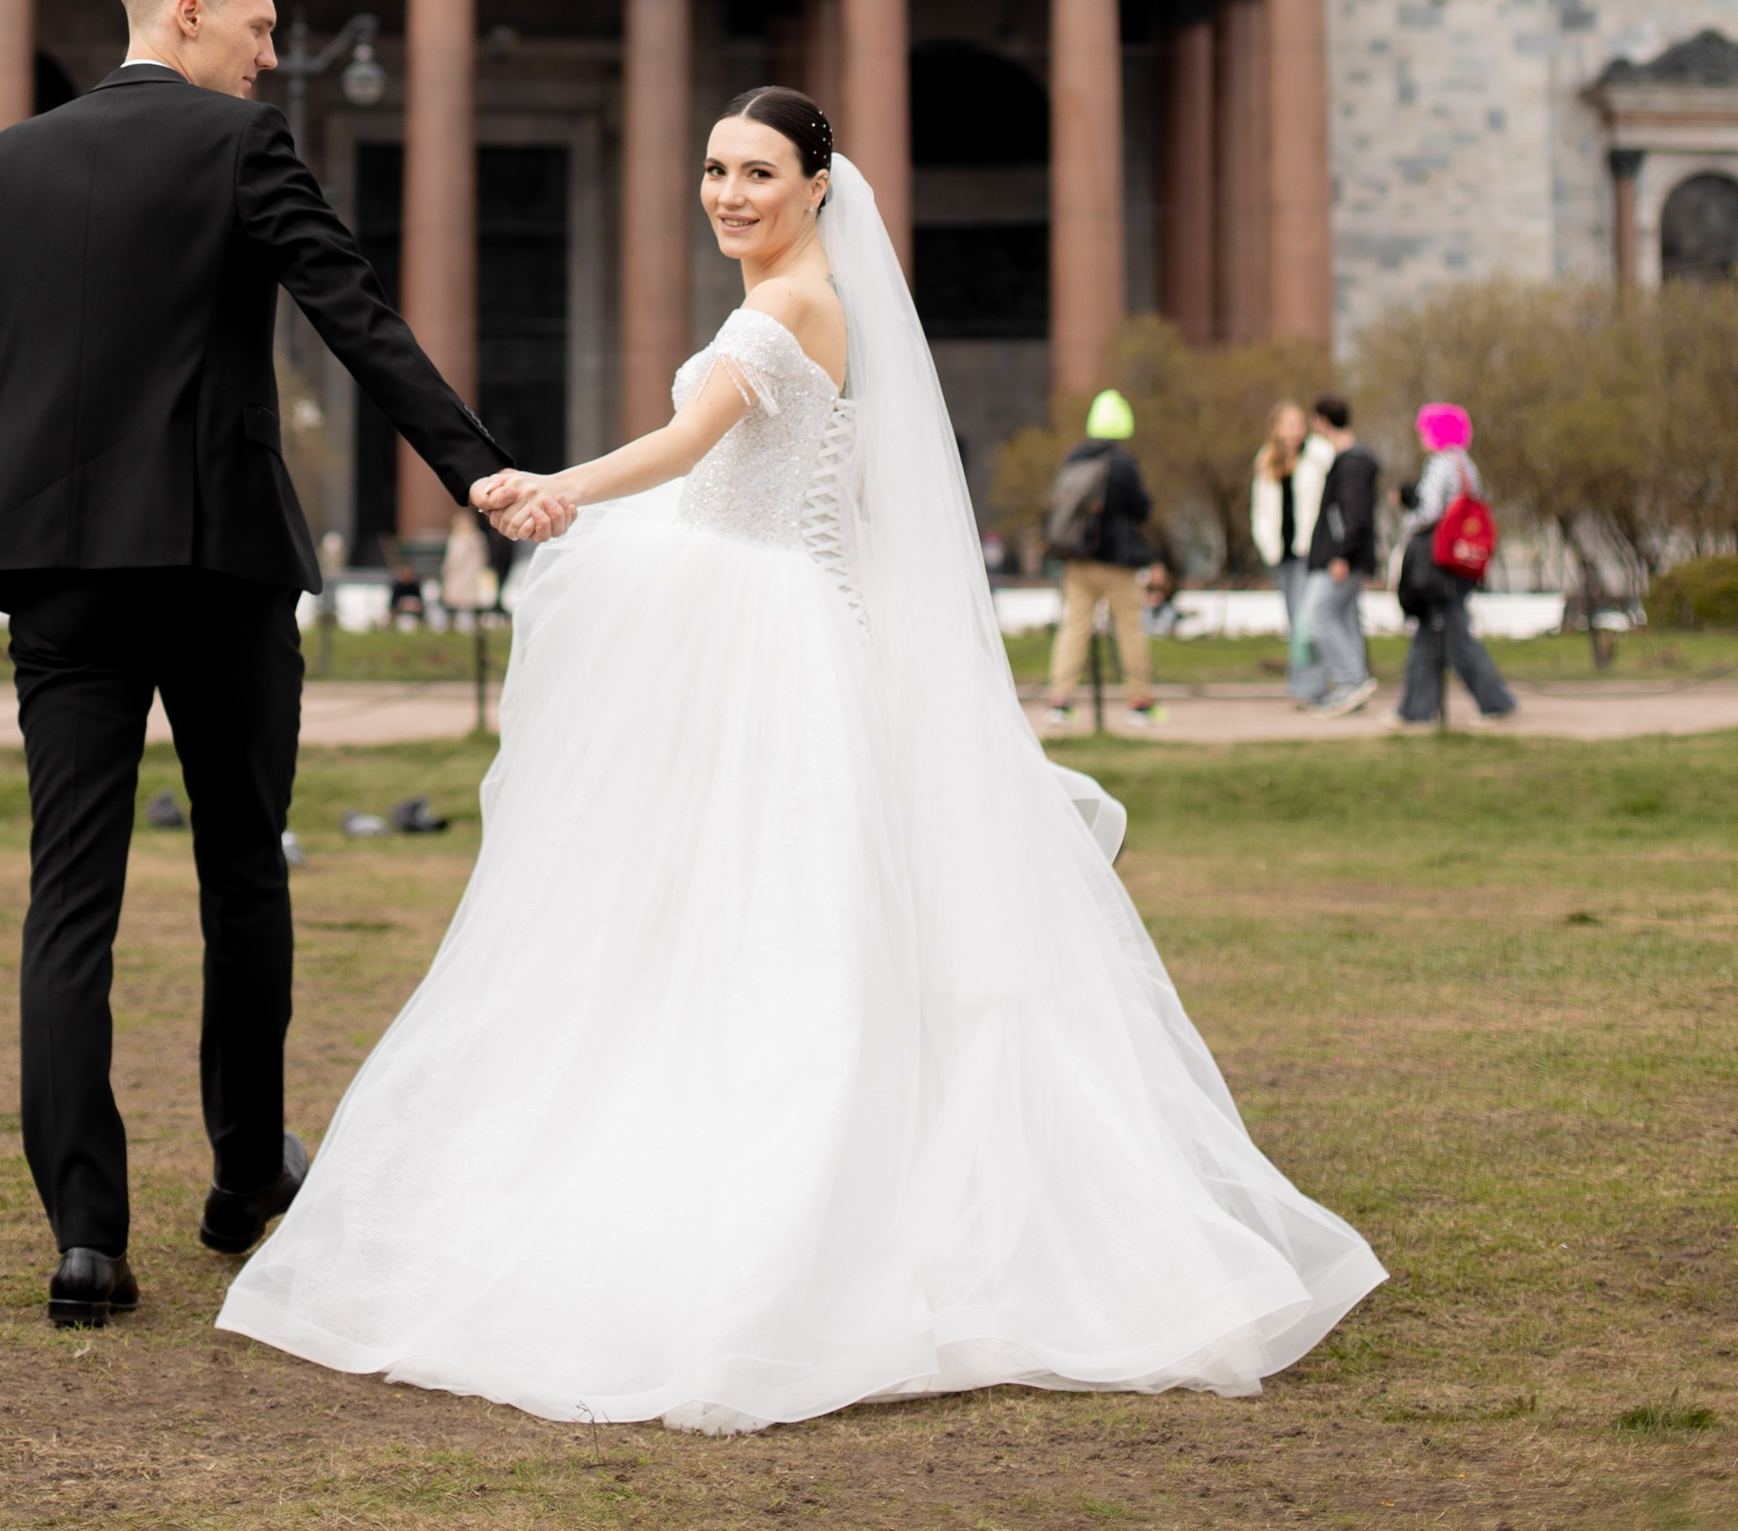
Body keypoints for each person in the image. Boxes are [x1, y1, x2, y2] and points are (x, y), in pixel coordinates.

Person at [220, 92, 1383, 1427]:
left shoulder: (784, 312)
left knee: (745, 913)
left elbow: (682, 446)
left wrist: (533, 488)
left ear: (820, 182)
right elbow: (830, 489)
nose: (727, 193)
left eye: (757, 172)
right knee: (751, 912)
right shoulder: (811, 306)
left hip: (758, 630)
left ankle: (780, 1203)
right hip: (779, 614)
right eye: (714, 169)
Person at [0, 0, 537, 1329]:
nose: (273, 54)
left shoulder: (5, 164)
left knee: (68, 892)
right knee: (242, 871)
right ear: (187, 14)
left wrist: (35, 479)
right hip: (217, 563)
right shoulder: (242, 153)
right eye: (259, 28)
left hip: (59, 573)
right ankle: (247, 1171)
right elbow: (358, 322)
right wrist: (478, 473)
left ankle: (86, 1238)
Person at [1041, 387, 1163, 730]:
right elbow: (1142, 509)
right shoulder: (1123, 464)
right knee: (1130, 630)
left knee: (1074, 628)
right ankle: (1140, 703)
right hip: (1117, 563)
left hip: (1077, 560)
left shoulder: (1074, 458)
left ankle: (1060, 702)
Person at [1394, 401, 1518, 728]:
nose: (1421, 435)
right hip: (1462, 561)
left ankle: (1493, 702)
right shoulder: (1466, 464)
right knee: (1433, 631)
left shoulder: (1439, 464)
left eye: (1425, 428)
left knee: (1452, 634)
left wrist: (1407, 512)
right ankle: (1415, 709)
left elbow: (1429, 512)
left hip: (1440, 563)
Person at [1299, 391, 1380, 715]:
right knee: (1343, 619)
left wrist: (1341, 555)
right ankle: (1351, 685)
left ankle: (1351, 681)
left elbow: (1353, 516)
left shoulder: (1353, 463)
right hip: (1343, 556)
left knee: (1319, 617)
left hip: (1342, 559)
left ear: (1321, 421)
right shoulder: (1348, 459)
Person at [1250, 399, 1331, 709]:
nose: (1296, 430)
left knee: (1308, 620)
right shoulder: (1266, 460)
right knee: (1295, 619)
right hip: (1282, 553)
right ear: (1276, 429)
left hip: (1310, 550)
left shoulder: (1318, 455)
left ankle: (1314, 687)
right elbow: (1260, 509)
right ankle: (1302, 685)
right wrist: (1265, 544)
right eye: (1289, 424)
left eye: (1300, 423)